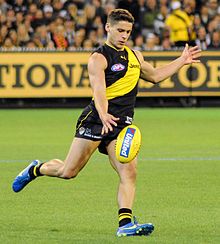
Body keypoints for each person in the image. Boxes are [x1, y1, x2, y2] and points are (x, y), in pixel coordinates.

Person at [12, 8, 201, 237]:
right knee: (68, 171)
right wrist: (103, 114)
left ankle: (125, 224)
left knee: (128, 172)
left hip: (121, 125)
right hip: (95, 120)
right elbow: (98, 90)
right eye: (120, 30)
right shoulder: (98, 58)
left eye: (128, 31)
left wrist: (181, 61)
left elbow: (156, 76)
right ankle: (36, 169)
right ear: (107, 28)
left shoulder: (135, 56)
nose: (124, 35)